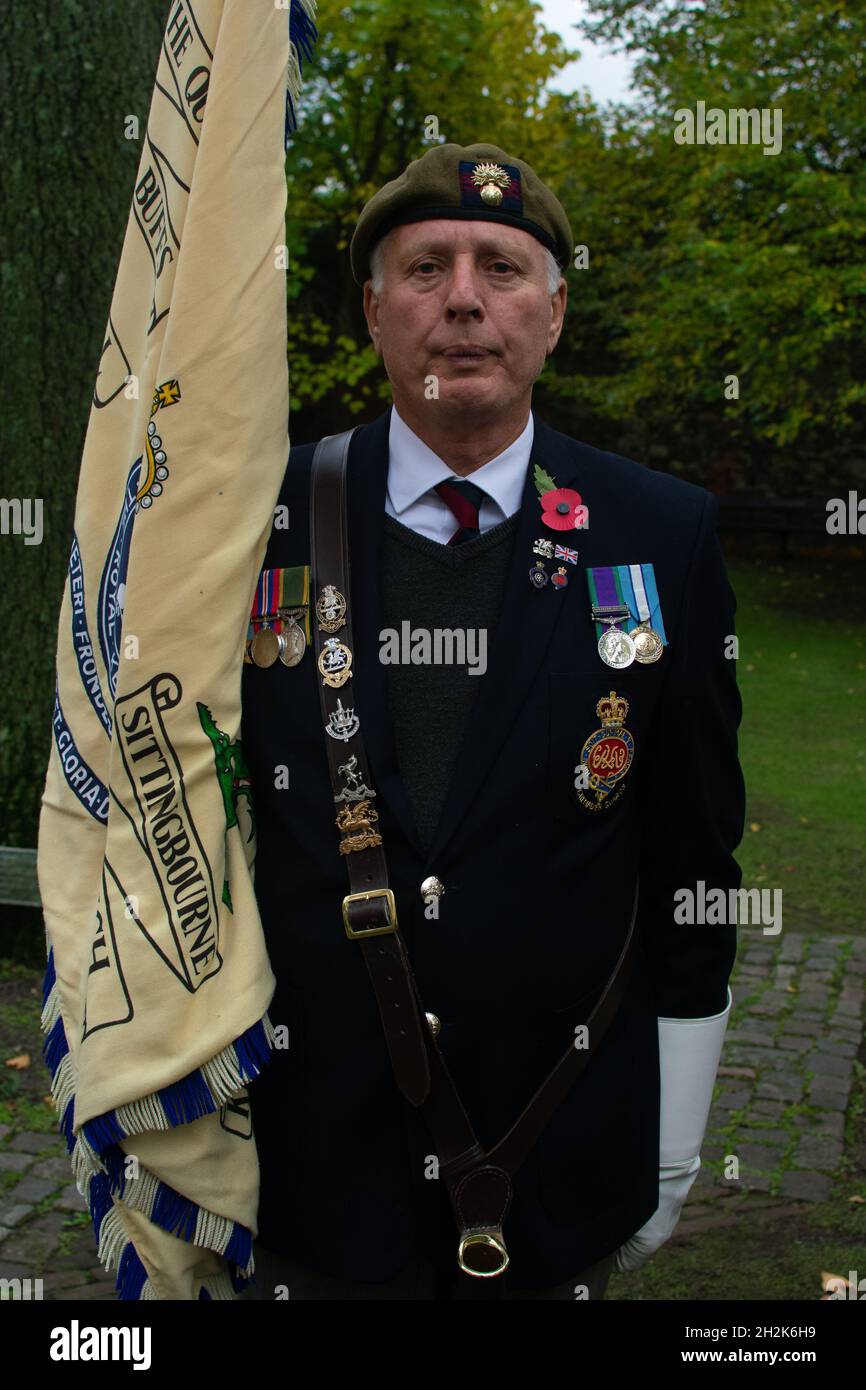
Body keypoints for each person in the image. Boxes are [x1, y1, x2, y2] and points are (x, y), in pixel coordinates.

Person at [239, 142, 745, 1301]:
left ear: (553, 312)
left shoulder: (656, 532)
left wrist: (671, 1128)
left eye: (502, 269)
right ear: (371, 311)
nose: (462, 297)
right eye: (423, 268)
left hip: (551, 1154)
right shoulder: (253, 524)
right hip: (306, 1166)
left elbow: (691, 858)